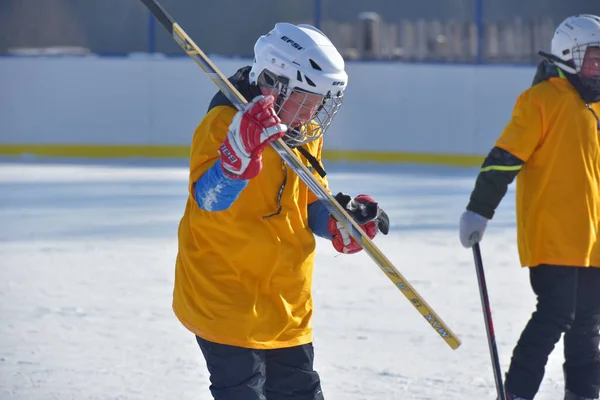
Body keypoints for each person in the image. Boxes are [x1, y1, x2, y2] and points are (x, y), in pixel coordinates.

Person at [173, 22, 389, 400]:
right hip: (226, 297)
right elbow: (207, 201)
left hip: (286, 299)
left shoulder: (305, 133)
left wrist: (337, 221)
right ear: (272, 81)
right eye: (305, 99)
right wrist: (233, 164)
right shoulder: (223, 124)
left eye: (319, 102)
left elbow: (305, 200)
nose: (312, 112)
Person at [459, 14, 600, 400]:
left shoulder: (596, 107)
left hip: (592, 243)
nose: (599, 68)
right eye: (594, 58)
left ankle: (584, 393)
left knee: (588, 323)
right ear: (569, 55)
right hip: (553, 236)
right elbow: (504, 158)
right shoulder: (542, 100)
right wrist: (479, 209)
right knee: (556, 315)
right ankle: (517, 393)